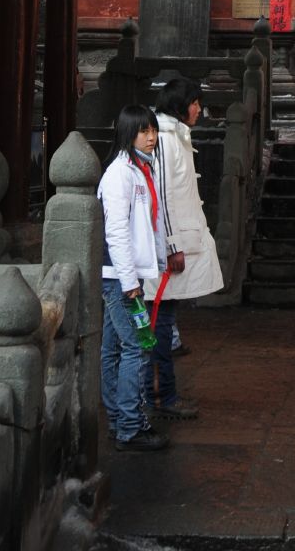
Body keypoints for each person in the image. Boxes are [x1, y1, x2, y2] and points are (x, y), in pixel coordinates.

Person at [146, 78, 224, 421]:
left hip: (172, 242)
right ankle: (161, 393)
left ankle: (160, 392)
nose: (198, 109)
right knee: (159, 323)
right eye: (194, 102)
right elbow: (161, 194)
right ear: (180, 104)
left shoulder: (175, 135)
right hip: (165, 248)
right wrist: (172, 245)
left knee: (165, 319)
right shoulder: (163, 139)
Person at [98, 104, 170, 452]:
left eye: (153, 129)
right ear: (128, 133)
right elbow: (117, 233)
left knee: (114, 348)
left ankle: (118, 418)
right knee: (138, 347)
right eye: (143, 131)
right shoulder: (119, 174)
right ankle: (129, 424)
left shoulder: (142, 169)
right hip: (120, 278)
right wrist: (130, 282)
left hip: (128, 275)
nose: (151, 136)